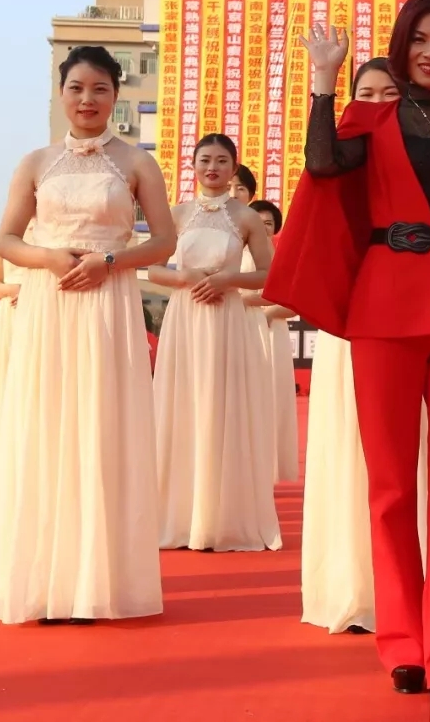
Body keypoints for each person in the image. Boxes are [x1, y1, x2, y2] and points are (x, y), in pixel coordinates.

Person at [264, 0, 430, 706]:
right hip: (383, 313)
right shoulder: (372, 120)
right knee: (389, 489)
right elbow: (322, 165)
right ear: (402, 45)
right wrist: (325, 80)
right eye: (420, 39)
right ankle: (404, 644)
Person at [0, 45, 177, 625]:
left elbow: (164, 241)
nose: (87, 99)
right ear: (61, 93)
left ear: (116, 95)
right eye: (76, 88)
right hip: (47, 305)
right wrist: (47, 257)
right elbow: (6, 240)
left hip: (107, 303)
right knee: (46, 432)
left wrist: (110, 261)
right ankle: (45, 584)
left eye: (99, 89)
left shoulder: (137, 162)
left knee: (101, 430)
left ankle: (97, 582)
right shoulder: (35, 163)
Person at [151, 134, 281, 551]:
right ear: (193, 165)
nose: (212, 168)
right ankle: (181, 516)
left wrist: (229, 280)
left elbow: (269, 275)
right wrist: (184, 278)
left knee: (222, 406)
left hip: (227, 318)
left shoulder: (246, 218)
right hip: (185, 316)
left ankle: (221, 517)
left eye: (221, 161)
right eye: (205, 160)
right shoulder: (177, 214)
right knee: (183, 404)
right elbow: (153, 269)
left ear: (233, 168)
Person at [242, 198, 300, 482]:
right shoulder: (233, 253)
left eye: (268, 224)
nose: (262, 228)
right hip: (239, 327)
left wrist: (265, 310)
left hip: (271, 332)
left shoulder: (281, 257)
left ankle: (269, 466)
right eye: (257, 222)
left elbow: (293, 302)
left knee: (271, 398)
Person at [0, 222, 31, 511]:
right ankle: (8, 483)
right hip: (10, 319)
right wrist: (15, 290)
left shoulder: (55, 228)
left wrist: (35, 291)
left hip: (45, 315)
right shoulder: (4, 232)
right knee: (8, 397)